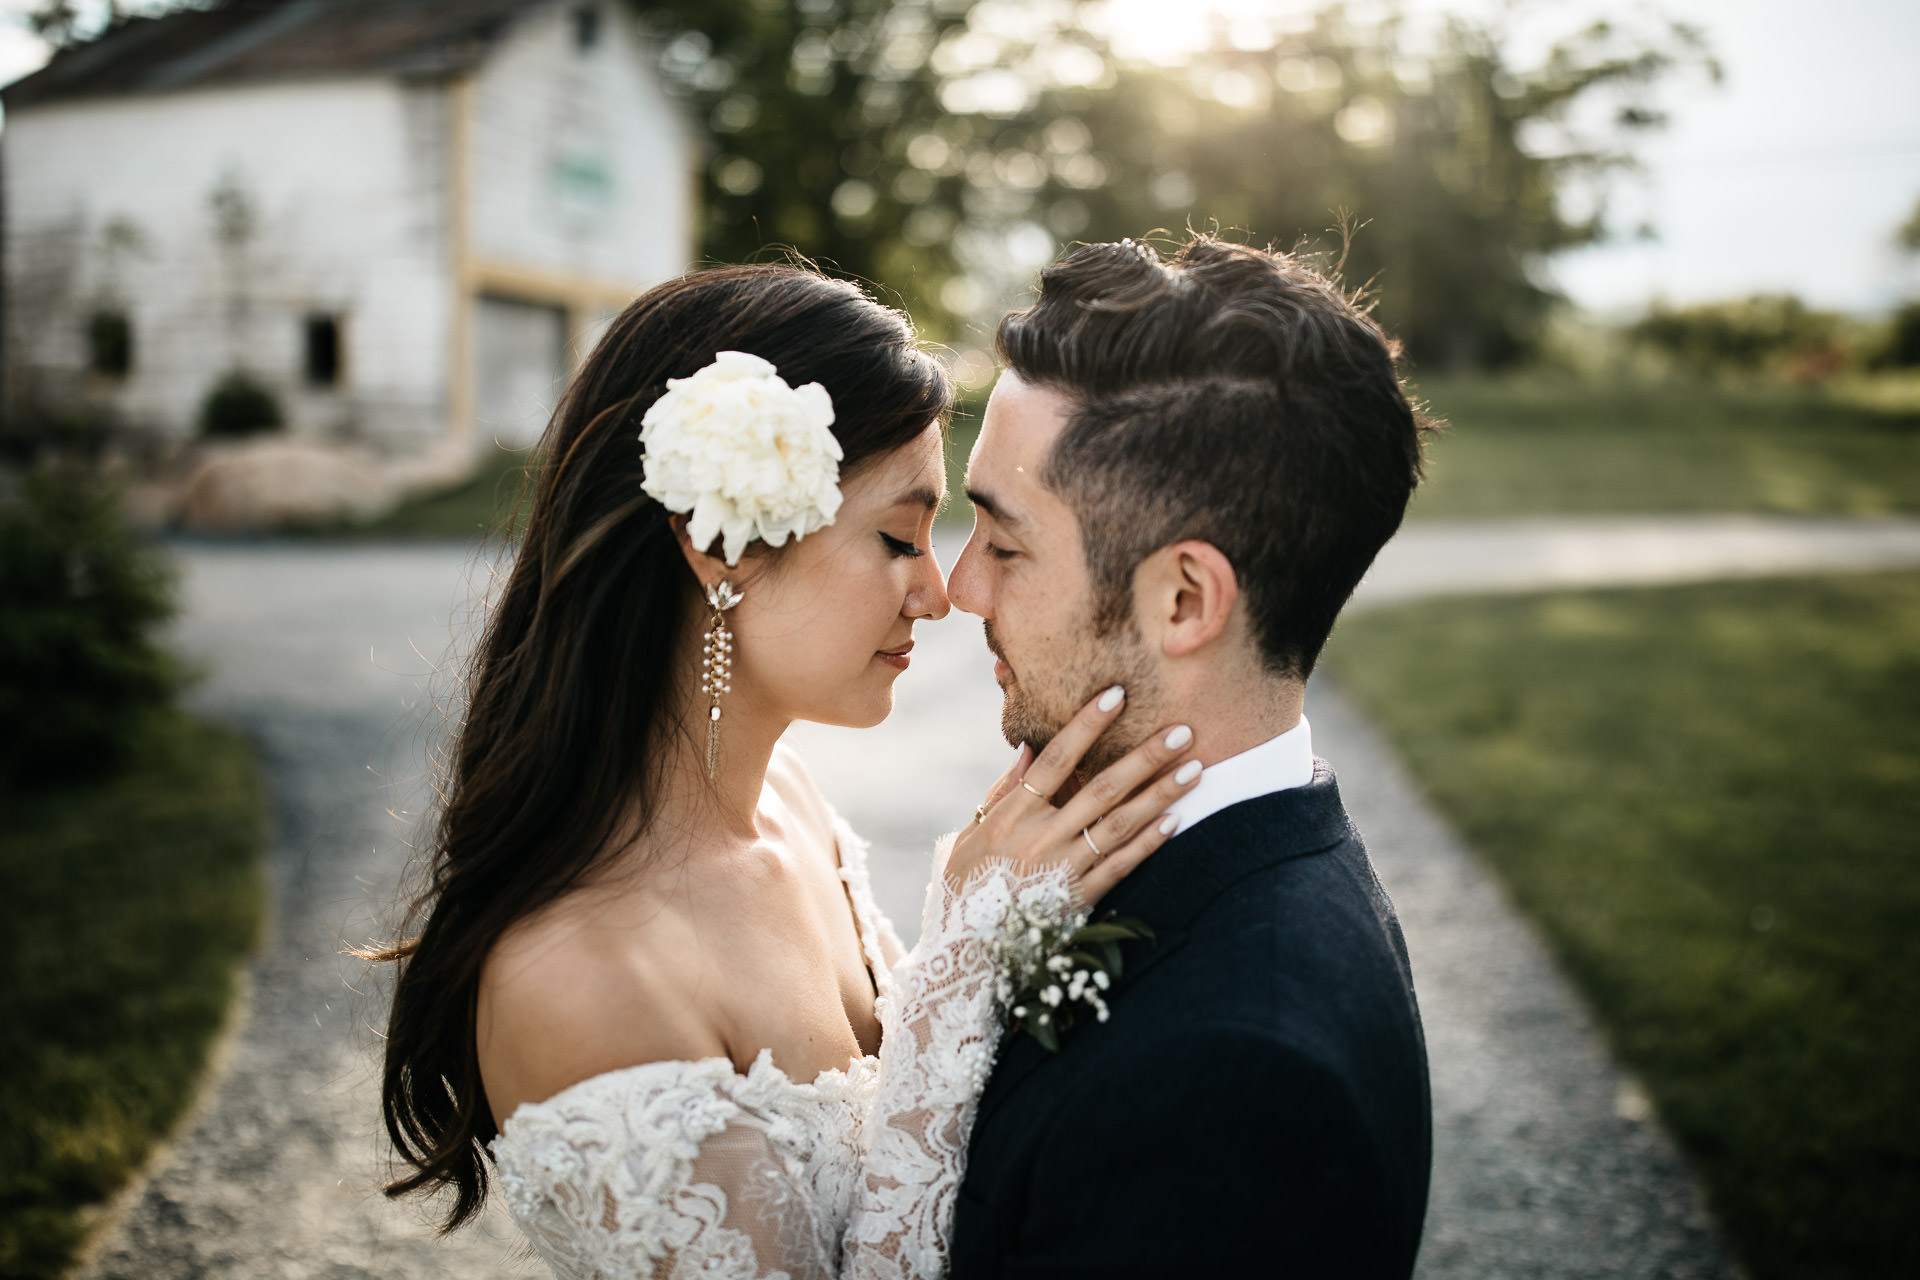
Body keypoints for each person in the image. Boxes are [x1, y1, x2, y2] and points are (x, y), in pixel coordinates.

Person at [370, 263, 1203, 1279]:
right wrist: (956, 978)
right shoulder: (581, 982)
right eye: (899, 536)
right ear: (721, 548)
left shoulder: (793, 802)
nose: (938, 592)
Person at [944, 236, 1436, 1278]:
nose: (960, 589)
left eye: (1005, 541)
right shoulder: (1241, 857)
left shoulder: (1237, 1080)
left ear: (1184, 600)